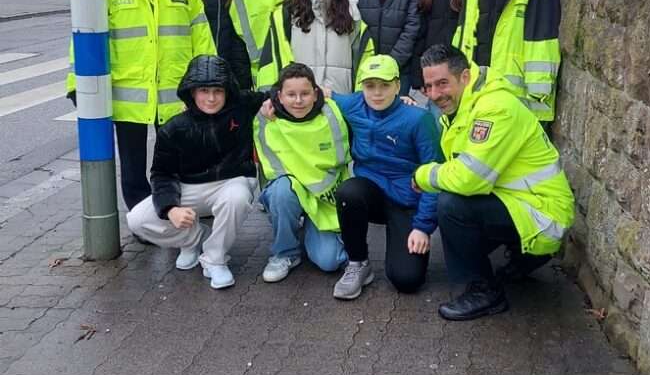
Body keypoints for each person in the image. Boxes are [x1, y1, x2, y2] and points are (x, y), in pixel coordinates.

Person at [66, 0, 216, 210]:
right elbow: (85, 34)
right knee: (133, 169)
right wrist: (74, 81)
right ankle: (141, 219)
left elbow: (200, 29)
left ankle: (177, 214)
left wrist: (208, 78)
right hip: (128, 93)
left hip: (175, 91)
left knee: (177, 161)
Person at [415, 44, 575, 321]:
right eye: (428, 86)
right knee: (458, 208)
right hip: (524, 203)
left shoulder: (494, 108)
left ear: (464, 77)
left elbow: (469, 179)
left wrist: (423, 175)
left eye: (442, 83)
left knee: (451, 205)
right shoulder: (466, 104)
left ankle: (484, 292)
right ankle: (525, 257)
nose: (434, 94)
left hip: (544, 216)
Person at [127, 56, 264, 289]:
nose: (211, 98)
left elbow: (281, 95)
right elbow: (161, 174)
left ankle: (215, 258)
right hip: (188, 188)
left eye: (217, 91)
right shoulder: (174, 128)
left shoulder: (241, 106)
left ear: (227, 91)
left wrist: (318, 94)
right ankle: (194, 239)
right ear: (191, 92)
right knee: (137, 220)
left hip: (230, 182)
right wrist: (171, 209)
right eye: (203, 90)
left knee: (238, 197)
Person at [330, 54, 442, 300]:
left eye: (385, 85)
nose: (377, 93)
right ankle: (357, 263)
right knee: (349, 192)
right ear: (362, 87)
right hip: (371, 195)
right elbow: (317, 95)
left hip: (406, 201)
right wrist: (271, 103)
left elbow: (435, 174)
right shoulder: (353, 104)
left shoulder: (419, 119)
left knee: (407, 280)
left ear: (398, 86)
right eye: (370, 86)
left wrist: (423, 227)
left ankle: (406, 242)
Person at [254, 63, 349, 282]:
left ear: (316, 94)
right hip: (291, 190)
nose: (298, 101)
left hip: (324, 197)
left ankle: (310, 232)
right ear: (279, 95)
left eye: (305, 93)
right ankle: (285, 253)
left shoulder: (333, 111)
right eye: (291, 94)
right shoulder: (266, 116)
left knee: (330, 261)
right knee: (281, 193)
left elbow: (365, 106)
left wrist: (403, 100)